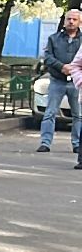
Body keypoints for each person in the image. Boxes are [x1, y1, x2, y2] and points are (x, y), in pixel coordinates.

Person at [36, 8, 81, 155]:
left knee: (78, 115)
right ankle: (45, 143)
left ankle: (77, 144)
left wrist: (73, 69)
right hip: (57, 80)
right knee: (50, 113)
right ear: (64, 20)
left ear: (80, 21)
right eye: (69, 19)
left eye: (74, 19)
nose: (71, 22)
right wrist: (62, 67)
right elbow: (48, 57)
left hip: (76, 82)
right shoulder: (54, 38)